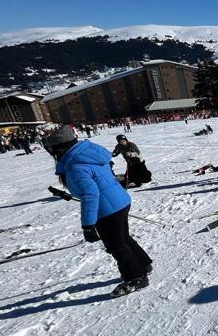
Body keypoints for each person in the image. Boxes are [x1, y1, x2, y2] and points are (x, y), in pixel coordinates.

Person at [43, 127, 152, 297]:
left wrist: (88, 225)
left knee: (117, 245)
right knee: (123, 239)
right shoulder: (87, 152)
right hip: (120, 200)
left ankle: (136, 277)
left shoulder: (75, 166)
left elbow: (90, 195)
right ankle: (143, 264)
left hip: (107, 210)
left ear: (60, 149)